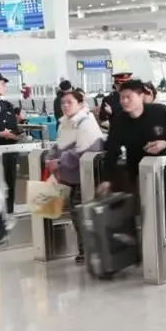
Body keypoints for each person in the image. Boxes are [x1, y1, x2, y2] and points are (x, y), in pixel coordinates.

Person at [99, 80, 166, 193]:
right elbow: (112, 150)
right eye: (122, 97)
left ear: (141, 96)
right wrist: (107, 179)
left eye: (129, 97)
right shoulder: (120, 121)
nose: (124, 101)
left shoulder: (160, 111)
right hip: (140, 174)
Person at [45, 90, 104, 263]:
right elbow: (59, 144)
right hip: (68, 177)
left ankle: (88, 251)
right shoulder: (64, 123)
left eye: (69, 102)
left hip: (84, 178)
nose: (65, 106)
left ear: (80, 104)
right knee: (76, 215)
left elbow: (89, 150)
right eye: (62, 103)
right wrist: (50, 156)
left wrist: (60, 160)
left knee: (82, 215)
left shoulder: (86, 123)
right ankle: (84, 250)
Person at [0, 73, 21, 214]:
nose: (5, 87)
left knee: (9, 184)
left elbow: (13, 127)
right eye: (2, 83)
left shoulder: (7, 106)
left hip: (9, 152)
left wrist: (15, 134)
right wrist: (0, 134)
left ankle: (9, 213)